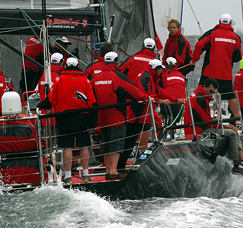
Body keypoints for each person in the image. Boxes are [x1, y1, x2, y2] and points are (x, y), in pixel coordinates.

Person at [38, 57, 96, 185]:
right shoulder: (85, 80)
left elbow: (51, 100)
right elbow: (92, 101)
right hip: (82, 117)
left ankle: (68, 176)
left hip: (64, 117)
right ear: (78, 65)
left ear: (66, 65)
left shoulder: (59, 80)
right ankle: (86, 175)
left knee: (67, 148)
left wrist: (41, 105)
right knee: (84, 146)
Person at [91, 52, 148, 180]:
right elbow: (133, 91)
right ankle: (114, 171)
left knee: (106, 144)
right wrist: (145, 97)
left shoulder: (97, 78)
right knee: (116, 144)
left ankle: (107, 170)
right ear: (116, 62)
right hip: (117, 116)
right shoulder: (117, 76)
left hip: (102, 118)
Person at [183, 78, 243, 173]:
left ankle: (239, 160)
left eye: (213, 92)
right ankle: (237, 163)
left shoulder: (200, 95)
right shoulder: (199, 98)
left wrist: (224, 126)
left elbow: (207, 119)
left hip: (201, 127)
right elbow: (207, 120)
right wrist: (225, 126)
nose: (211, 94)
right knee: (231, 133)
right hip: (198, 130)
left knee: (232, 131)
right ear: (204, 86)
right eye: (210, 91)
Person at [121, 59, 184, 170]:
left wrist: (176, 99)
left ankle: (137, 159)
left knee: (132, 140)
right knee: (129, 142)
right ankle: (121, 167)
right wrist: (161, 101)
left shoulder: (151, 76)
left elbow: (158, 91)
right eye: (161, 70)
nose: (162, 72)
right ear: (157, 69)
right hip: (137, 114)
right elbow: (145, 94)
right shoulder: (146, 77)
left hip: (143, 113)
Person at [191, 13, 243, 120]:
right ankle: (238, 120)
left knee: (201, 94)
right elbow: (238, 57)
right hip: (225, 74)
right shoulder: (236, 38)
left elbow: (199, 45)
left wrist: (194, 60)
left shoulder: (212, 33)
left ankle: (199, 118)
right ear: (230, 23)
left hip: (209, 73)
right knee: (230, 96)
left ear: (219, 22)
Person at [162, 57, 186, 132]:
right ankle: (172, 135)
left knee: (162, 116)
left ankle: (157, 132)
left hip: (167, 100)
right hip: (180, 102)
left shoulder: (163, 74)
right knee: (173, 123)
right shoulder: (181, 75)